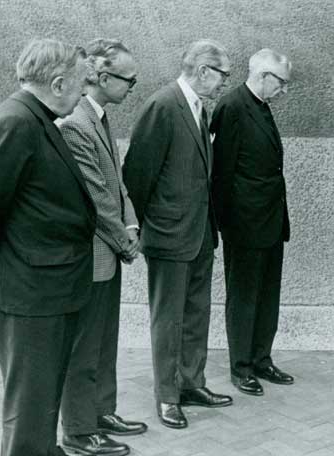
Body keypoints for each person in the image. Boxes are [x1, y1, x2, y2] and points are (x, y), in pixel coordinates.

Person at [0, 39, 100, 456]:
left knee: (45, 388)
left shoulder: (37, 119)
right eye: (80, 87)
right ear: (58, 83)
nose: (82, 95)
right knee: (28, 397)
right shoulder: (16, 122)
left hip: (51, 289)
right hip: (31, 293)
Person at [123, 40, 233, 430]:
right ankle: (167, 396)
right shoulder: (163, 106)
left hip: (200, 234)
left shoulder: (199, 108)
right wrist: (138, 227)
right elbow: (136, 174)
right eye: (223, 74)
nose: (224, 83)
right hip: (170, 236)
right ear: (203, 70)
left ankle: (191, 383)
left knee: (196, 314)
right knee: (168, 319)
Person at [58, 38, 147, 456]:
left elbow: (117, 182)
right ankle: (78, 430)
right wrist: (125, 239)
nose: (133, 85)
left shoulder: (101, 117)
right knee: (83, 347)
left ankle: (102, 412)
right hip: (91, 257)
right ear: (102, 76)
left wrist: (131, 223)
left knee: (105, 340)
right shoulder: (76, 122)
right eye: (128, 78)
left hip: (108, 252)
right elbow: (96, 197)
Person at [210, 49, 295, 397]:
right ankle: (241, 366)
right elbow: (222, 172)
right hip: (245, 224)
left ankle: (261, 358)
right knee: (244, 297)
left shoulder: (260, 105)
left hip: (270, 221)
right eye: (281, 83)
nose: (284, 90)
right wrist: (224, 224)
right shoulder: (232, 106)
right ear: (262, 76)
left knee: (267, 295)